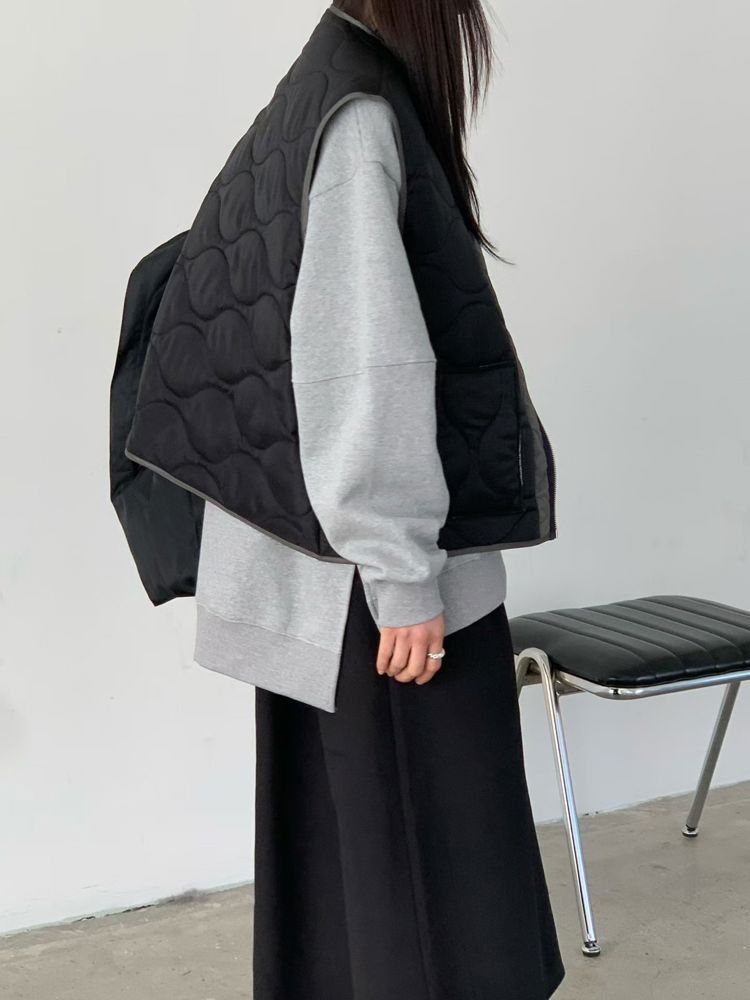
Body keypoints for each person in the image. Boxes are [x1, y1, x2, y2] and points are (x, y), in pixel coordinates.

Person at [137, 1, 564, 996]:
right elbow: (362, 363)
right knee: (445, 913)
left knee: (346, 901)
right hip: (367, 591)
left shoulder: (320, 86)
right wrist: (404, 578)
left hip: (309, 572)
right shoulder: (360, 115)